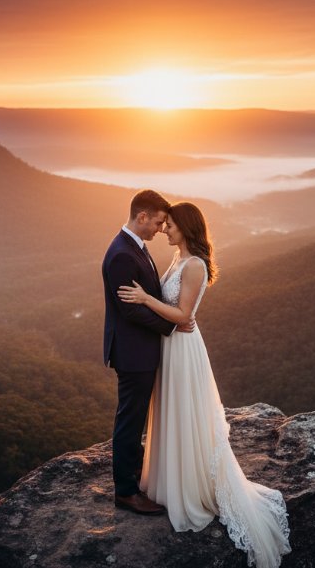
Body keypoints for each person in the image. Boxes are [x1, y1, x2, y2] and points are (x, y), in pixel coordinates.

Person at [118, 202, 291, 567]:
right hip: (170, 345)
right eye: (163, 224)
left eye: (171, 225)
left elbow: (183, 315)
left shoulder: (194, 264)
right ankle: (169, 479)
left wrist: (145, 299)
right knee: (171, 412)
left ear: (186, 227)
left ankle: (190, 488)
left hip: (182, 349)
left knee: (185, 414)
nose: (165, 229)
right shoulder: (178, 260)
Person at [102, 189, 192, 515]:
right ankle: (125, 492)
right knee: (130, 420)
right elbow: (130, 311)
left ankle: (135, 477)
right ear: (142, 217)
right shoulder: (123, 254)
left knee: (135, 417)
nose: (159, 229)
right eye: (156, 222)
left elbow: (145, 297)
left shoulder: (134, 247)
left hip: (140, 350)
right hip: (133, 353)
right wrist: (173, 326)